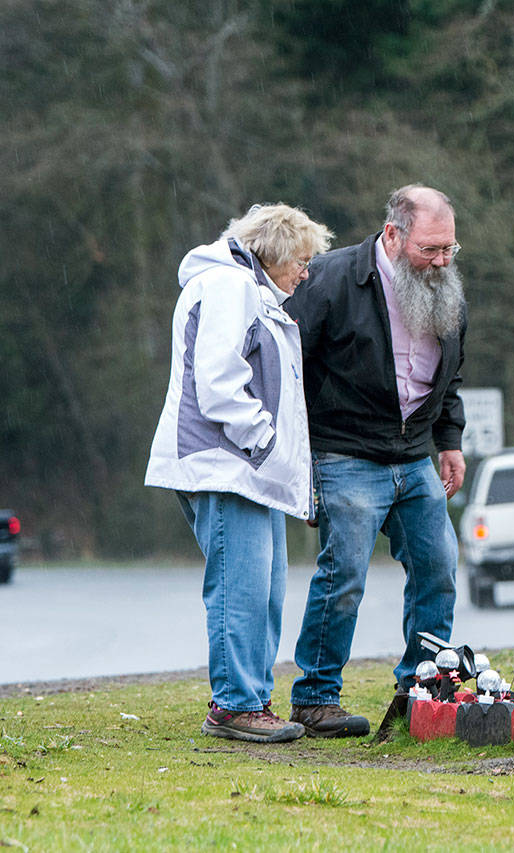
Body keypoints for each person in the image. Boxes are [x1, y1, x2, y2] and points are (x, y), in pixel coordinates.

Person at [145, 203, 334, 742]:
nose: (305, 272)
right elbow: (221, 380)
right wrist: (266, 443)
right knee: (241, 588)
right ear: (271, 254)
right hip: (225, 466)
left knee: (265, 587)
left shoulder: (250, 291)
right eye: (301, 260)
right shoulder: (230, 287)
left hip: (247, 471)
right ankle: (234, 705)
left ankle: (251, 698)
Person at [285, 185, 467, 739]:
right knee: (344, 579)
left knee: (438, 569)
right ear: (392, 234)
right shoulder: (330, 280)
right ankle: (315, 697)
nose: (440, 261)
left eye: (449, 250)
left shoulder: (449, 288)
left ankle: (421, 689)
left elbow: (449, 374)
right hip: (345, 453)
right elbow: (285, 368)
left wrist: (450, 439)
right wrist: (302, 461)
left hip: (414, 457)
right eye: (429, 249)